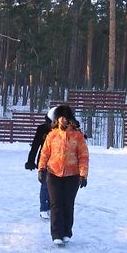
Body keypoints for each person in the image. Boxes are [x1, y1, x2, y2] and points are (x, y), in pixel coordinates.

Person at [37, 105, 89, 245]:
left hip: (72, 175)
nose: (63, 120)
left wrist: (83, 175)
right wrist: (41, 169)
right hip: (53, 173)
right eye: (61, 117)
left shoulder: (78, 136)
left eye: (66, 117)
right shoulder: (52, 135)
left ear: (70, 119)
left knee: (68, 204)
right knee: (56, 204)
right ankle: (56, 234)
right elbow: (45, 153)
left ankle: (66, 232)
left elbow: (83, 156)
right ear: (57, 119)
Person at [24, 107, 56, 219]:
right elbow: (35, 145)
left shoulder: (61, 130)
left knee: (55, 186)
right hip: (43, 161)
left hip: (57, 162)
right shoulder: (42, 129)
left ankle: (51, 208)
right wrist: (30, 161)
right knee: (45, 185)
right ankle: (43, 208)